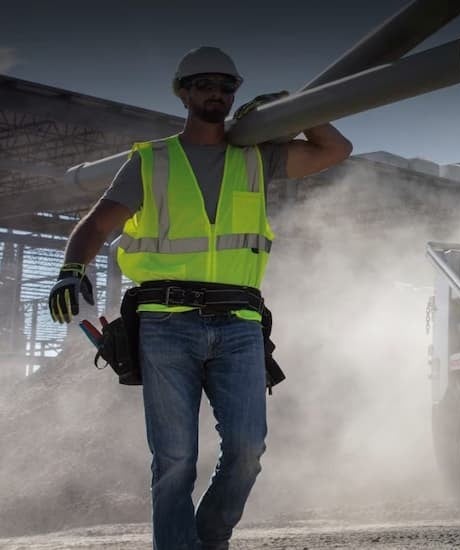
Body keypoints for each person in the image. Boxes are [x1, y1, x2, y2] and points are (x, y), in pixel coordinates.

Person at [46, 46, 352, 549]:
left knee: (248, 450)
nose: (217, 93)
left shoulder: (257, 156)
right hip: (166, 324)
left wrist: (298, 107)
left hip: (239, 324)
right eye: (205, 84)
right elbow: (98, 223)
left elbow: (335, 150)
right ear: (183, 92)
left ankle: (208, 541)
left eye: (227, 85)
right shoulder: (152, 162)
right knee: (174, 460)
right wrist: (70, 268)